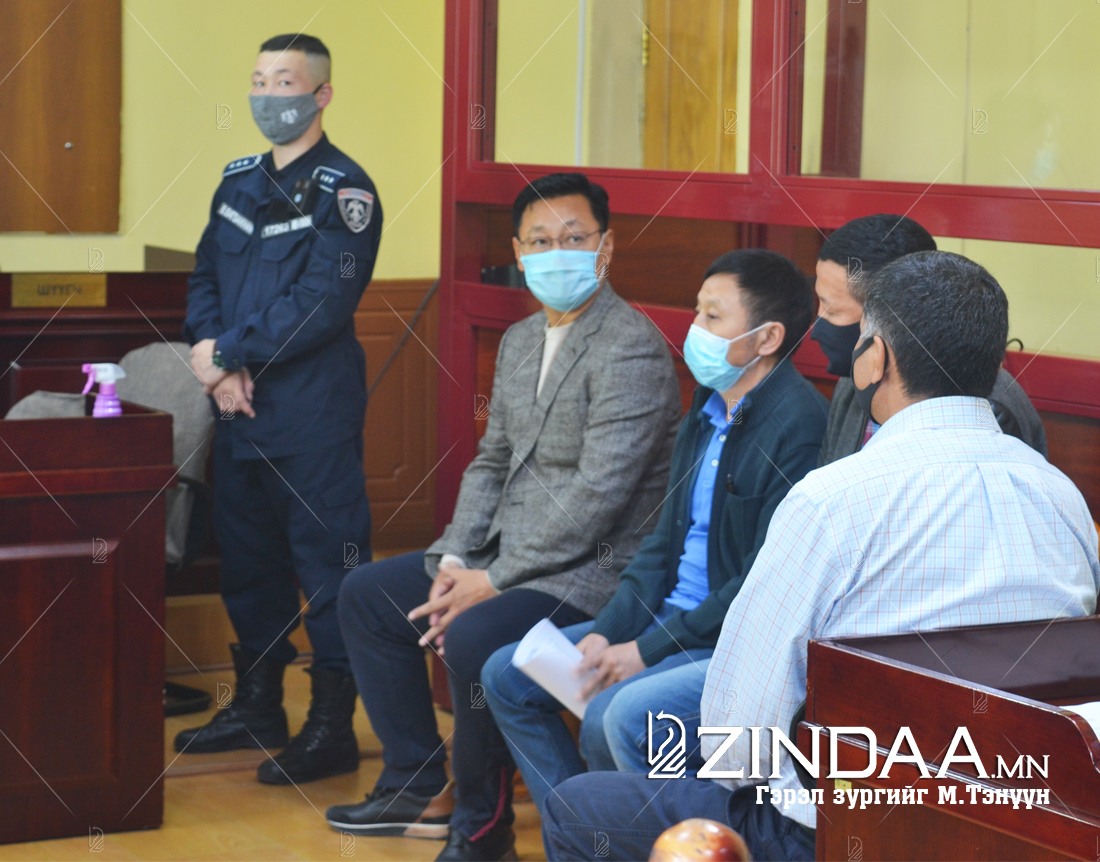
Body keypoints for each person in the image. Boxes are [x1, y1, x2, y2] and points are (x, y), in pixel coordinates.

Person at [541, 251, 1100, 862]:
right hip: (1016, 830)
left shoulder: (832, 500)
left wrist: (755, 795)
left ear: (875, 359)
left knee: (576, 805)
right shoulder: (1062, 499)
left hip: (839, 832)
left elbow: (743, 726)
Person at [325, 172, 682, 862]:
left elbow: (598, 497)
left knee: (473, 635)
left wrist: (492, 581)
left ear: (605, 248)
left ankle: (482, 829)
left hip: (590, 570)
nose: (556, 253)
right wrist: (456, 562)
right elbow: (491, 461)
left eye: (573, 238)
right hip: (502, 554)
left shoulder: (629, 346)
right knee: (367, 595)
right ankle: (417, 784)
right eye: (539, 241)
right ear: (518, 252)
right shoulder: (521, 339)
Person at [481, 249, 828, 815]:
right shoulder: (708, 403)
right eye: (698, 312)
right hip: (666, 617)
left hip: (723, 639)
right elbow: (664, 540)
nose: (696, 329)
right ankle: (578, 828)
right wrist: (610, 632)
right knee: (505, 673)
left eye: (713, 316)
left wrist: (642, 652)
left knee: (612, 714)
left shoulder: (799, 425)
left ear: (767, 338)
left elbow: (757, 585)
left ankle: (629, 835)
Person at [177, 34, 381, 787]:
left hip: (310, 416)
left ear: (321, 94)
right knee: (250, 566)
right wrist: (214, 361)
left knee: (329, 570)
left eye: (284, 82)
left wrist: (229, 353)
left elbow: (323, 304)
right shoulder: (237, 182)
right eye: (258, 81)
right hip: (239, 412)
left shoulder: (346, 191)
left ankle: (331, 728)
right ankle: (258, 707)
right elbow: (204, 275)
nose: (268, 95)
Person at [811, 213, 1047, 465]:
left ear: (884, 313)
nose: (817, 326)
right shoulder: (854, 382)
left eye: (832, 310)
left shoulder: (988, 409)